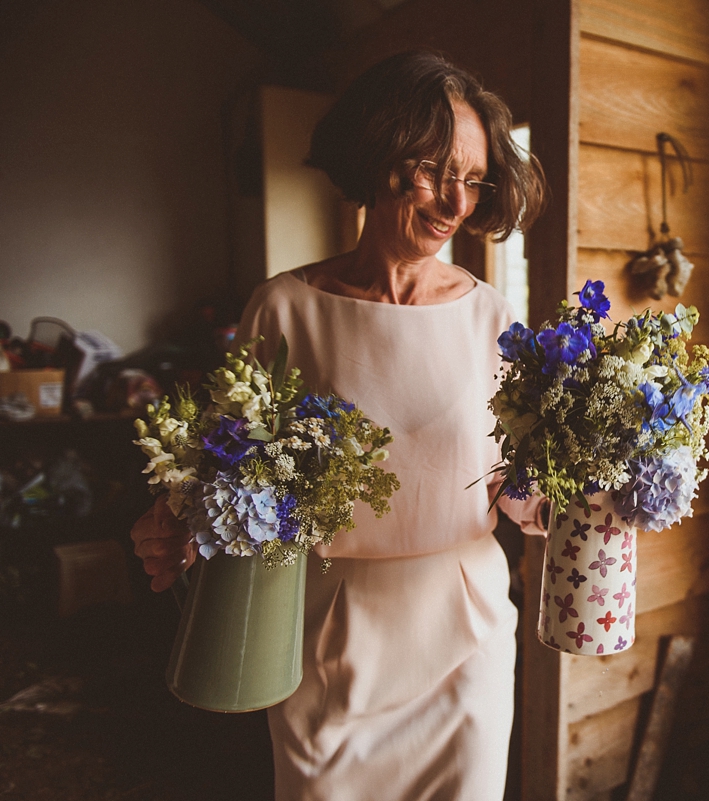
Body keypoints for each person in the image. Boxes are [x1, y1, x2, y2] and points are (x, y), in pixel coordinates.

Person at [130, 50, 548, 800]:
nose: (455, 201)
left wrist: (593, 492)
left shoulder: (491, 316)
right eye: (434, 169)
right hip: (325, 639)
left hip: (467, 636)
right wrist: (175, 520)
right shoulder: (284, 309)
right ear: (379, 151)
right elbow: (226, 475)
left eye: (474, 179)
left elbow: (517, 484)